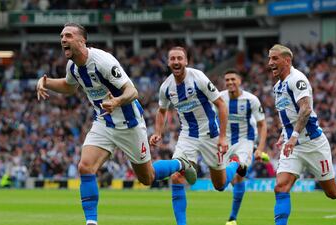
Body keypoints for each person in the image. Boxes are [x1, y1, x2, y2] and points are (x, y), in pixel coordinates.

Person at [36, 23, 196, 225]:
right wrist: (46, 82)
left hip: (129, 123)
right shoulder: (73, 66)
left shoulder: (103, 61)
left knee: (147, 178)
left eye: (68, 36)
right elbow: (69, 87)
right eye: (61, 36)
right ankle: (91, 222)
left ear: (82, 40)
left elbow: (132, 91)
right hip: (104, 121)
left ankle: (181, 163)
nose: (63, 40)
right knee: (85, 167)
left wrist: (116, 101)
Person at [268, 44, 336, 225]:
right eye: (269, 59)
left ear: (287, 60)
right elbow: (287, 113)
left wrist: (294, 135)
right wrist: (285, 133)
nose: (270, 63)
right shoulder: (277, 87)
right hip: (293, 146)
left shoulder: (297, 79)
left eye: (275, 59)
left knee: (333, 193)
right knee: (281, 187)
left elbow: (305, 109)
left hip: (313, 144)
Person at [149, 46, 241, 225]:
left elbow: (221, 104)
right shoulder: (166, 87)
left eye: (179, 58)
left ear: (186, 61)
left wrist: (222, 137)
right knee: (176, 176)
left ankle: (235, 163)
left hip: (211, 134)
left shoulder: (198, 78)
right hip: (188, 135)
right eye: (172, 59)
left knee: (220, 185)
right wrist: (158, 132)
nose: (176, 62)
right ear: (168, 62)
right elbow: (161, 111)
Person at [220, 69, 268, 225]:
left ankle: (232, 218)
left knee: (238, 174)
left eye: (233, 79)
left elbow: (262, 124)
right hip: (226, 141)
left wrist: (260, 148)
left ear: (240, 81)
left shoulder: (251, 99)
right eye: (227, 80)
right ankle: (241, 164)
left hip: (245, 140)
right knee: (229, 182)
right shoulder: (220, 98)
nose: (230, 83)